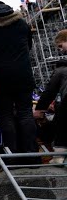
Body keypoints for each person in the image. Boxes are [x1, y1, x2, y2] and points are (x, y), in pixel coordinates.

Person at [0, 1, 38, 163]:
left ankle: (11, 158)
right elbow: (28, 47)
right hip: (23, 76)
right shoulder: (22, 25)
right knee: (25, 113)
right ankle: (32, 156)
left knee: (6, 116)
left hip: (0, 79)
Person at [34, 29, 67, 164]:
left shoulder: (62, 70)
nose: (60, 50)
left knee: (62, 124)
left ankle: (59, 156)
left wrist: (40, 109)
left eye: (61, 45)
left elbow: (49, 92)